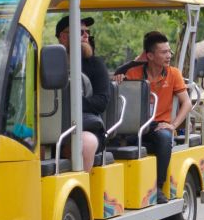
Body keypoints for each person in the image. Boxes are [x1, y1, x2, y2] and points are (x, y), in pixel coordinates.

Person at [123, 31, 192, 204]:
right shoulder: (133, 73)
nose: (169, 56)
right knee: (116, 140)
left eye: (169, 52)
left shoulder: (173, 73)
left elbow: (187, 103)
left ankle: (158, 187)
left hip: (159, 125)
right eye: (164, 52)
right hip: (136, 124)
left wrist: (173, 125)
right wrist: (119, 76)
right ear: (150, 56)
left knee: (164, 137)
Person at [56, 15, 111, 172]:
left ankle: (82, 191)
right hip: (49, 125)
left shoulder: (95, 64)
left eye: (87, 32)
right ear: (63, 36)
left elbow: (102, 101)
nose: (86, 35)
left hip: (85, 126)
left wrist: (70, 103)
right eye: (80, 32)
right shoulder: (47, 62)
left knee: (85, 143)